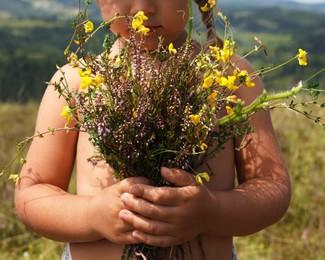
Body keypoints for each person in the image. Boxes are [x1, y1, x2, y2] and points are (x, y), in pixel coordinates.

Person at [14, 0, 291, 259]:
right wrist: (92, 215)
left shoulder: (232, 78)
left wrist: (212, 212)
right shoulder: (73, 83)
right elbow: (33, 192)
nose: (143, 8)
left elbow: (272, 186)